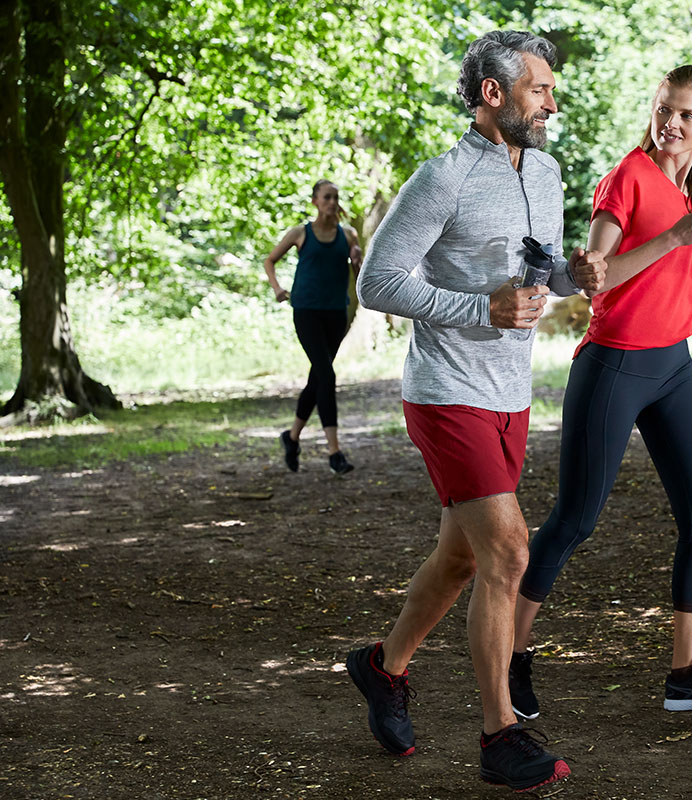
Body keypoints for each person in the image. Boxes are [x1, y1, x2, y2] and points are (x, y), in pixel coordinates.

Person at [345, 31, 605, 793]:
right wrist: (477, 308)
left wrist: (570, 273)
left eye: (551, 88)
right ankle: (500, 733)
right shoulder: (443, 178)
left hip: (508, 395)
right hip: (445, 390)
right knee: (509, 553)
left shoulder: (549, 171)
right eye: (539, 89)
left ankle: (382, 668)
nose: (552, 101)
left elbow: (538, 268)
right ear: (493, 94)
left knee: (462, 557)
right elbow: (379, 282)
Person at [509, 65, 692, 721]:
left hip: (672, 364)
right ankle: (509, 655)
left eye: (686, 116)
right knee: (576, 521)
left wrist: (689, 272)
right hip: (616, 364)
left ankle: (686, 675)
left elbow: (662, 257)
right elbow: (600, 278)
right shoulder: (628, 177)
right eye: (663, 109)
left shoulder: (687, 184)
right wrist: (674, 243)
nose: (671, 124)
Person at [262, 179, 362, 475]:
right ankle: (335, 452)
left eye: (336, 197)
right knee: (327, 374)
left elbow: (359, 272)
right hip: (306, 311)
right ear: (316, 201)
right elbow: (269, 261)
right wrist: (277, 288)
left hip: (336, 313)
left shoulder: (349, 234)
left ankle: (291, 438)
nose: (332, 202)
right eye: (327, 197)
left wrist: (357, 261)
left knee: (318, 376)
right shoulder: (299, 233)